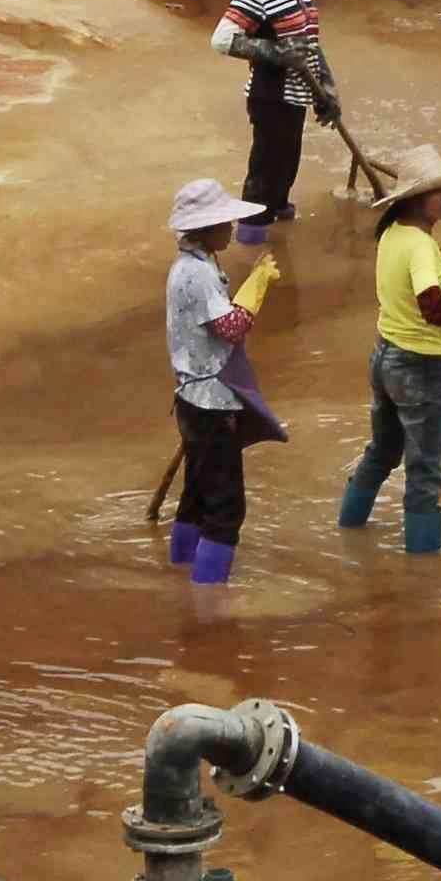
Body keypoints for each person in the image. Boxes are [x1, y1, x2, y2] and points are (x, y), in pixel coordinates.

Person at [339, 143, 441, 555]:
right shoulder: (421, 246)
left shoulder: (391, 235)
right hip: (418, 366)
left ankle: (349, 525)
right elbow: (431, 305)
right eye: (439, 191)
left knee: (383, 449)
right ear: (415, 198)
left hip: (385, 356)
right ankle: (424, 566)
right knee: (425, 470)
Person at [162, 178, 283, 587]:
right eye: (224, 223)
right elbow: (232, 327)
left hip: (191, 398)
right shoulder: (196, 274)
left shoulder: (192, 266)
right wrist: (257, 286)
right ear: (205, 229)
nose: (231, 229)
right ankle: (208, 598)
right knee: (226, 508)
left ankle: (180, 569)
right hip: (211, 402)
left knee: (196, 495)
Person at [213, 0, 341, 246]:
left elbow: (308, 44)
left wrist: (327, 93)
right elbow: (223, 40)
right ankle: (251, 235)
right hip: (271, 96)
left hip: (297, 93)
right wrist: (276, 52)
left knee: (287, 164)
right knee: (266, 168)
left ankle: (278, 223)